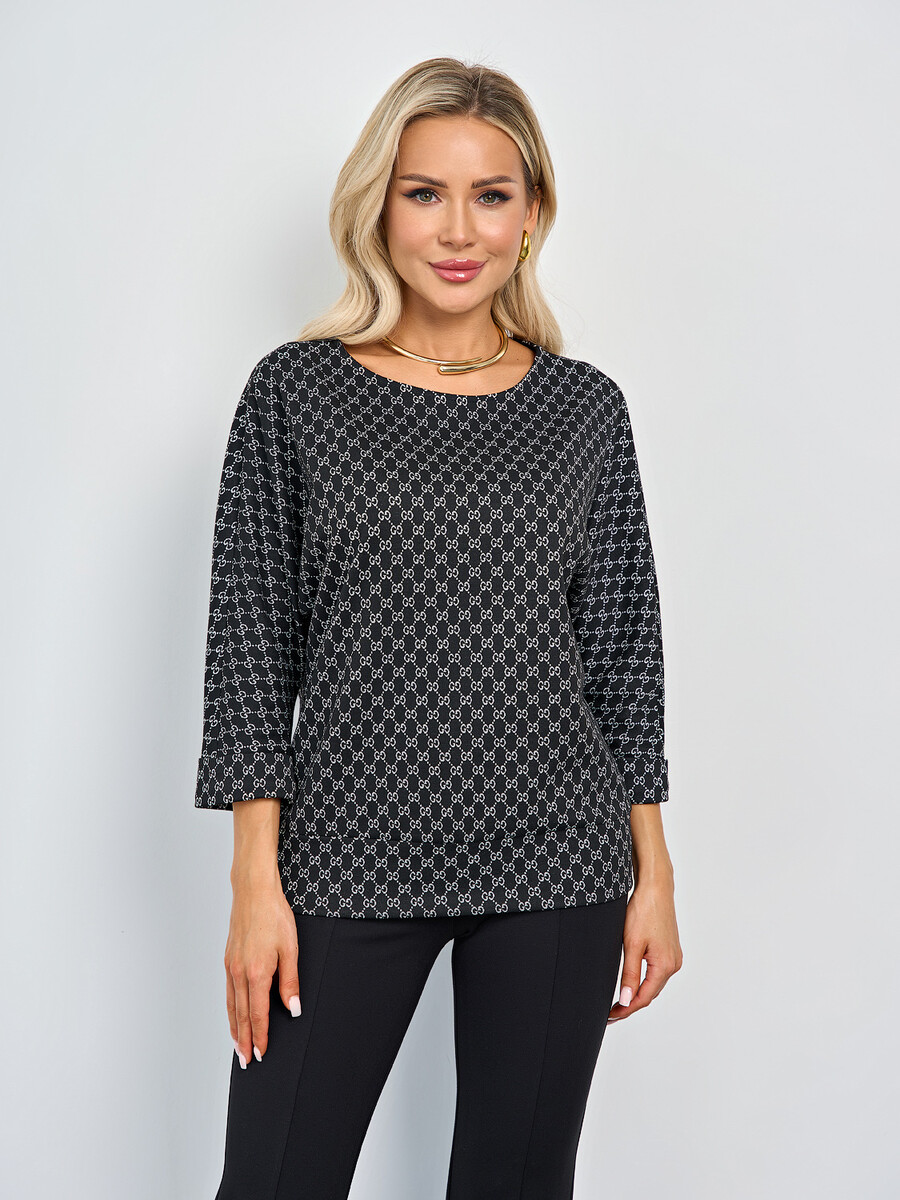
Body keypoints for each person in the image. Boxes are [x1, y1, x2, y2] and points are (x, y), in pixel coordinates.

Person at [194, 56, 682, 1200]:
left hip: (560, 856)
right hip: (345, 851)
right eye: (425, 193)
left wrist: (653, 870)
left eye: (490, 195)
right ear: (380, 205)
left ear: (531, 212)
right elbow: (251, 645)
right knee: (274, 1179)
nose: (458, 230)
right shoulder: (297, 394)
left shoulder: (584, 409)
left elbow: (623, 650)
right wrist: (256, 883)